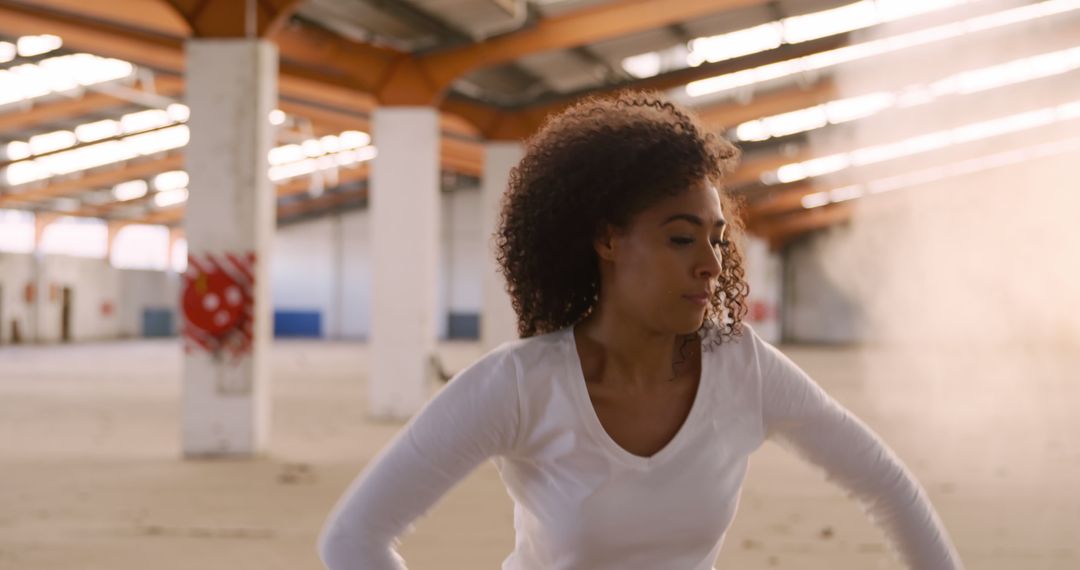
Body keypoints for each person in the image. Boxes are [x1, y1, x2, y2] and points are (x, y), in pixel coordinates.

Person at [317, 92, 964, 570]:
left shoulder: (743, 369)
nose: (711, 263)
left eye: (716, 238)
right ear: (606, 240)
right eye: (680, 238)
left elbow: (885, 484)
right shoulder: (522, 385)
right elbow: (354, 537)